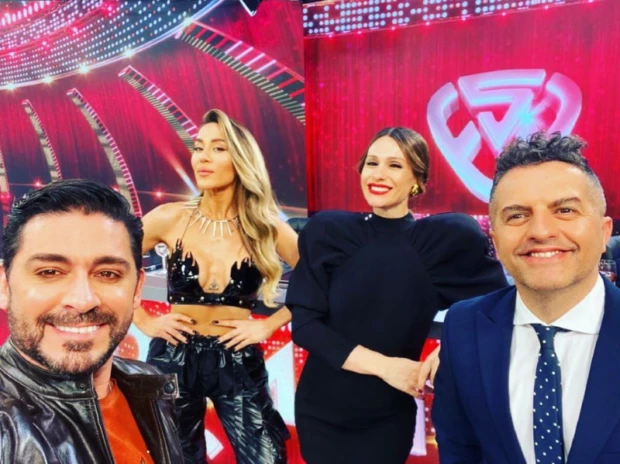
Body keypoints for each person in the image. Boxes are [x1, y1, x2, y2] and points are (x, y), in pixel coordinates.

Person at [285, 127, 508, 464]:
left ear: (417, 179)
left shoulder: (442, 242)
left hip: (387, 418)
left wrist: (448, 351)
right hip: (320, 410)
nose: (378, 174)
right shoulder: (328, 232)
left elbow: (498, 309)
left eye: (394, 165)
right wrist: (387, 367)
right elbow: (305, 326)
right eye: (372, 163)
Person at [432, 131, 620, 464]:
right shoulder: (463, 326)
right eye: (517, 215)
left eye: (565, 210)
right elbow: (460, 448)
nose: (541, 231)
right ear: (495, 240)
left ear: (604, 231)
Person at [134, 109, 298, 464]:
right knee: (175, 458)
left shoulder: (265, 226)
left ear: (240, 159)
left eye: (218, 148)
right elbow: (108, 264)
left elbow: (322, 281)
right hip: (173, 356)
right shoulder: (169, 217)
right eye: (198, 147)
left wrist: (269, 325)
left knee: (267, 457)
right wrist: (143, 320)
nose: (203, 157)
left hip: (237, 358)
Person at [0, 179, 183, 464]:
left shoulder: (148, 383)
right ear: (4, 285)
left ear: (137, 289)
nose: (83, 300)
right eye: (49, 272)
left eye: (108, 274)